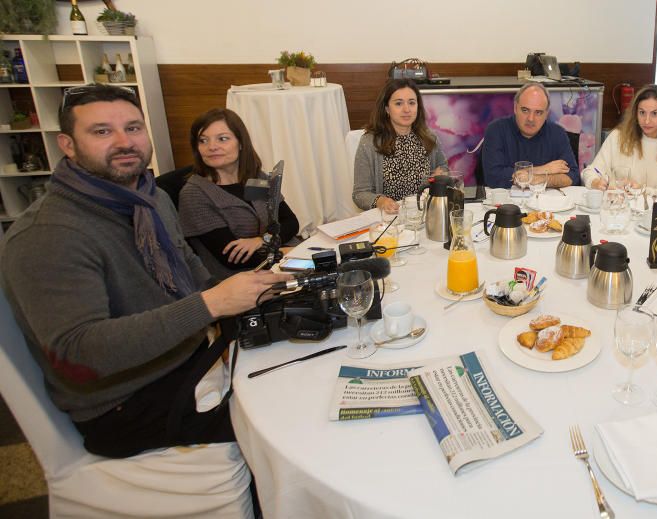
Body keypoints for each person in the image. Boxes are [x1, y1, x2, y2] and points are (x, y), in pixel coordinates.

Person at [0, 84, 288, 458]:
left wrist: (256, 292)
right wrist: (212, 304)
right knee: (291, 422)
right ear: (67, 145)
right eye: (102, 131)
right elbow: (79, 353)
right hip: (128, 406)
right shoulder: (48, 234)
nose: (124, 142)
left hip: (186, 361)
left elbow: (190, 267)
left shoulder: (147, 199)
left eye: (133, 128)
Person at [179, 108, 300, 277]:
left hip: (278, 264)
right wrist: (289, 252)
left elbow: (290, 222)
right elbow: (234, 258)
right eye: (203, 141)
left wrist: (261, 240)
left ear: (241, 143)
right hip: (244, 279)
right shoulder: (195, 195)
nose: (211, 147)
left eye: (222, 139)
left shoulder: (254, 178)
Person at [353, 78, 448, 212]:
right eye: (398, 103)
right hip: (390, 220)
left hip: (424, 214)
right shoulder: (369, 143)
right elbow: (360, 194)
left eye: (412, 103)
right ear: (387, 108)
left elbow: (443, 167)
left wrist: (441, 174)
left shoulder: (430, 138)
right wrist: (381, 201)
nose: (406, 109)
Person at [581, 84, 657, 197]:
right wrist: (596, 182)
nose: (647, 121)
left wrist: (642, 190)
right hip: (619, 209)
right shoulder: (618, 137)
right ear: (635, 113)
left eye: (654, 114)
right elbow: (590, 172)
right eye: (642, 112)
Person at [481, 81, 580, 189]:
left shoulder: (558, 133)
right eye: (525, 110)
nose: (531, 119)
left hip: (545, 203)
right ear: (515, 108)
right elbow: (493, 177)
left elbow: (573, 176)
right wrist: (543, 170)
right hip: (506, 203)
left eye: (538, 112)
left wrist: (539, 179)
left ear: (547, 114)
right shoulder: (496, 130)